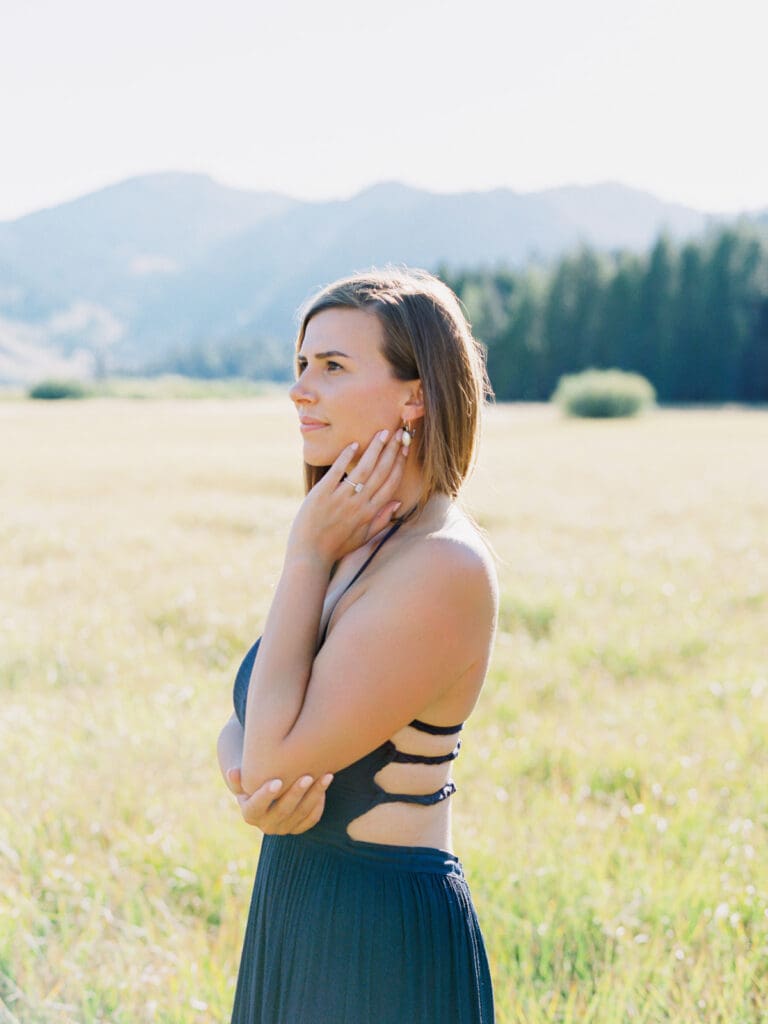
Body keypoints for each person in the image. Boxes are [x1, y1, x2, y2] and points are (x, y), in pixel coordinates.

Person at [216, 267, 498, 1023]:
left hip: (377, 935)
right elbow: (252, 724)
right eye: (301, 366)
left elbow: (275, 753)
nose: (301, 390)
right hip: (297, 895)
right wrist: (244, 775)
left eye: (333, 367)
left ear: (417, 394)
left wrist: (303, 554)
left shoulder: (442, 564)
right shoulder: (357, 534)